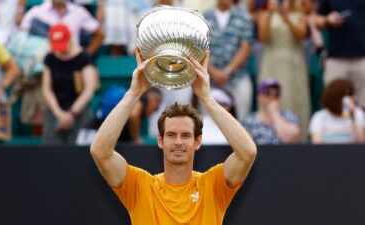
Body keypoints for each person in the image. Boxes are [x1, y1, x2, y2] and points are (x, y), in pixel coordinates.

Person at [90, 49, 257, 225]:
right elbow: (100, 151)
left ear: (197, 141)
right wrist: (134, 93)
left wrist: (207, 99)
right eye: (171, 135)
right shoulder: (140, 186)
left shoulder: (212, 185)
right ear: (160, 140)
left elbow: (248, 152)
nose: (178, 142)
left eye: (185, 135)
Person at [257, 0, 311, 140]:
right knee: (268, 96)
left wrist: (286, 18)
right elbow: (263, 38)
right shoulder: (264, 14)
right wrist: (269, 12)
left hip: (292, 63)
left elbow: (300, 37)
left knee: (293, 99)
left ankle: (296, 137)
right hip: (271, 61)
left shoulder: (300, 14)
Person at [41, 23, 96, 144]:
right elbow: (46, 89)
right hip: (55, 111)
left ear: (70, 39)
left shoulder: (83, 57)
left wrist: (71, 113)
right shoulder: (50, 58)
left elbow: (89, 88)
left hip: (79, 111)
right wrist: (58, 113)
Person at [203, 0, 254, 120]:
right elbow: (200, 49)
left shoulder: (243, 16)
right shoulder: (205, 16)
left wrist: (227, 71)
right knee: (206, 116)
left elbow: (245, 48)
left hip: (237, 76)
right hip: (210, 77)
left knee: (243, 112)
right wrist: (213, 72)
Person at [314, 0, 365, 112]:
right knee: (335, 104)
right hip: (336, 59)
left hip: (362, 59)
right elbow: (316, 20)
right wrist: (327, 19)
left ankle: (358, 128)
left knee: (362, 104)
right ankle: (343, 129)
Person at [20, 0, 104, 57]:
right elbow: (21, 36)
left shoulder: (78, 12)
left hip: (72, 64)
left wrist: (83, 59)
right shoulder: (36, 12)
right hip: (43, 65)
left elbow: (100, 35)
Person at [242, 79, 301, 145]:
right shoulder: (249, 120)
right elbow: (245, 146)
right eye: (267, 94)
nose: (272, 97)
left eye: (276, 94)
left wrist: (274, 113)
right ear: (259, 97)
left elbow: (292, 139)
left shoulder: (289, 116)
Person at [309, 79, 365, 144]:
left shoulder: (357, 113)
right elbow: (317, 144)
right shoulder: (319, 117)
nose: (352, 99)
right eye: (348, 96)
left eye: (351, 95)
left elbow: (361, 143)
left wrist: (353, 117)